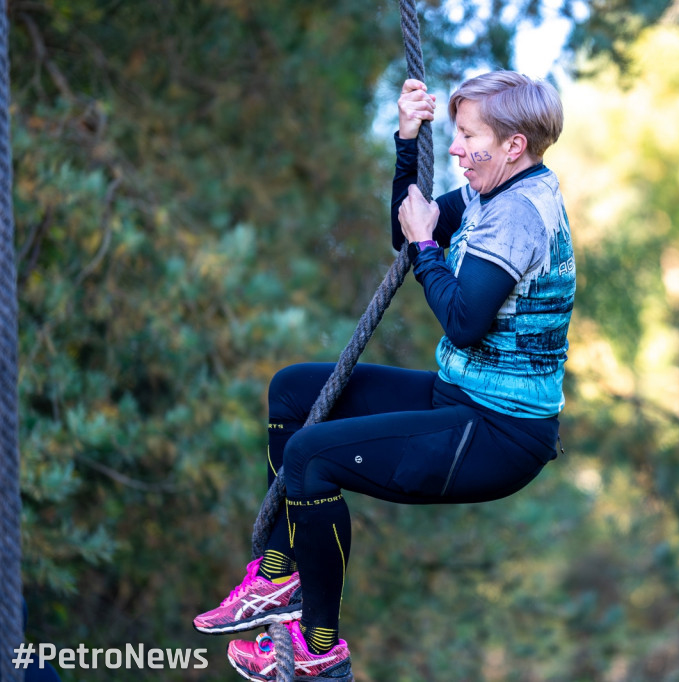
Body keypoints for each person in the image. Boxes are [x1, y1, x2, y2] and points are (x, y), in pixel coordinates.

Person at [193, 70, 575, 680]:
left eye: (467, 136)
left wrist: (429, 248)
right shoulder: (489, 192)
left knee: (310, 458)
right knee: (294, 391)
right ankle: (274, 577)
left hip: (498, 434)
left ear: (513, 145)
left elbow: (464, 321)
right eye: (452, 133)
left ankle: (320, 648)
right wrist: (405, 138)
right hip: (458, 398)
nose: (453, 149)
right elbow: (406, 228)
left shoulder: (521, 215)